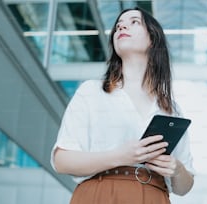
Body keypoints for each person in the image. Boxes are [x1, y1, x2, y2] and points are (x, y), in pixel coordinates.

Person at [51, 7, 194, 204]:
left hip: (155, 196)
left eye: (134, 21)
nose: (121, 26)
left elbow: (185, 187)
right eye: (118, 25)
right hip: (100, 193)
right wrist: (120, 156)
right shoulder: (92, 91)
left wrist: (176, 169)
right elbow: (61, 161)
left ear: (153, 38)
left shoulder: (172, 109)